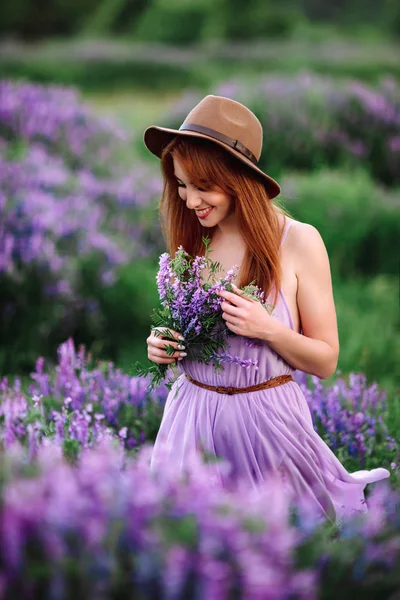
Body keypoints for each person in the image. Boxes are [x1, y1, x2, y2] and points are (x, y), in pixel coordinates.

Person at [143, 94, 390, 525]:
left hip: (267, 430)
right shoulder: (194, 237)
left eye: (203, 186)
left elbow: (326, 360)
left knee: (285, 550)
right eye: (181, 184)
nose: (189, 199)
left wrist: (267, 329)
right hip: (190, 424)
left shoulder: (298, 241)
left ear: (238, 178)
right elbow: (195, 350)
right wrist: (165, 350)